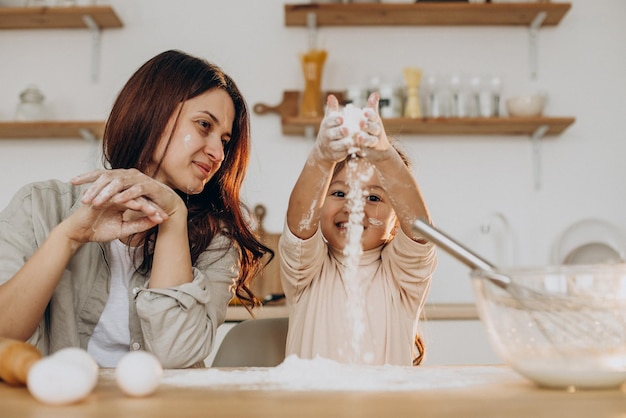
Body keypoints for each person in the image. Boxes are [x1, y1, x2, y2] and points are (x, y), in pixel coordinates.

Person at [0, 50, 271, 369]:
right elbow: (5, 333)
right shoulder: (40, 206)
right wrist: (69, 236)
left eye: (225, 141)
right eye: (203, 125)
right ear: (153, 113)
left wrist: (173, 219)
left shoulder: (217, 239)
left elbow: (176, 356)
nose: (217, 153)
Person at [279, 93, 437, 366]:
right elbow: (299, 225)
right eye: (339, 193)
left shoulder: (402, 277)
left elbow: (421, 231)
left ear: (397, 220)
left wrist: (385, 157)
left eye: (373, 198)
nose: (353, 206)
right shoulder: (306, 272)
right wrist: (322, 158)